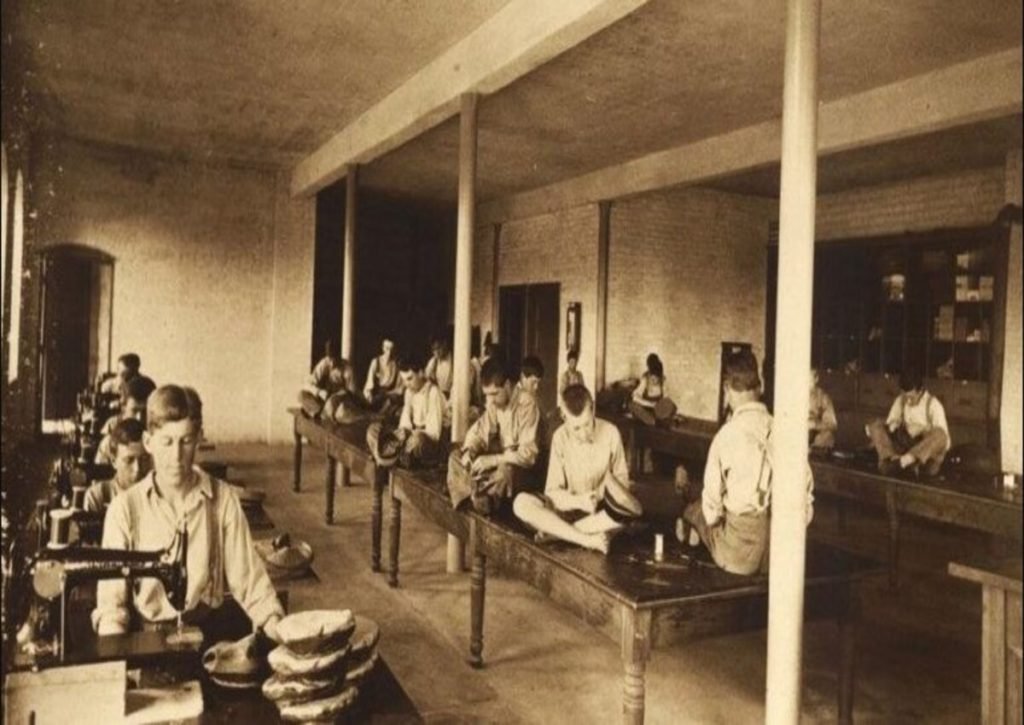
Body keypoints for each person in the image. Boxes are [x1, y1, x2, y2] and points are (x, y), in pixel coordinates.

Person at [93, 385, 284, 642]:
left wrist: (279, 628)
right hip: (146, 643)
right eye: (167, 442)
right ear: (148, 442)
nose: (176, 456)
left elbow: (252, 585)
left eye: (186, 441)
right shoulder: (124, 509)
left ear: (199, 438)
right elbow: (112, 607)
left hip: (209, 637)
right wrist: (115, 657)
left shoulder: (222, 500)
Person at [677, 351, 814, 576]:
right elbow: (807, 502)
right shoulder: (785, 430)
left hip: (740, 556)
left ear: (727, 390)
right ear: (758, 389)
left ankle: (688, 519)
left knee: (697, 510)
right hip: (781, 554)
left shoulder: (726, 435)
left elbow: (712, 514)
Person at [512, 384, 641, 554]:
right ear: (564, 417)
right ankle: (586, 540)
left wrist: (603, 493)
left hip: (598, 516)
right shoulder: (560, 437)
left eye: (586, 424)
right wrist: (579, 501)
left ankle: (558, 534)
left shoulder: (611, 433)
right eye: (576, 428)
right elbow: (552, 493)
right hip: (565, 513)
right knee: (521, 503)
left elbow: (622, 486)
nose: (583, 434)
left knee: (626, 516)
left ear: (592, 408)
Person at [449, 356, 542, 513]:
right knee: (456, 455)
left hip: (524, 471)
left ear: (506, 385)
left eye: (493, 393)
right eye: (486, 395)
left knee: (506, 471)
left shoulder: (527, 403)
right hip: (499, 463)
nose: (489, 400)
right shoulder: (495, 405)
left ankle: (479, 495)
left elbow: (528, 456)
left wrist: (492, 460)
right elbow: (479, 432)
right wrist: (470, 449)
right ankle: (476, 496)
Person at [866, 369, 950, 476]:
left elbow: (945, 442)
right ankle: (893, 461)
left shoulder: (934, 405)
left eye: (911, 397)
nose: (908, 401)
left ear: (920, 391)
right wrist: (894, 425)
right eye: (905, 396)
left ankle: (906, 462)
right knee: (875, 425)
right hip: (902, 448)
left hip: (923, 456)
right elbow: (890, 424)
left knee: (940, 434)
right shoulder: (900, 400)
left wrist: (923, 430)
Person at [84, 418, 151, 513]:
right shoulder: (98, 497)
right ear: (113, 461)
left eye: (144, 459)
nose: (137, 469)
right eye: (129, 460)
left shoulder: (160, 496)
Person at [395, 355, 446, 466]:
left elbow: (434, 434)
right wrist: (403, 431)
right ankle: (399, 457)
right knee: (375, 430)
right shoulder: (409, 392)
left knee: (418, 440)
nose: (406, 384)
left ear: (421, 373)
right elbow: (405, 419)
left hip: (429, 443)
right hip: (412, 438)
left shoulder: (433, 393)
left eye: (409, 378)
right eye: (404, 380)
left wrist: (411, 435)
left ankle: (395, 458)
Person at [95, 375, 157, 465]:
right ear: (123, 407)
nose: (139, 418)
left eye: (145, 412)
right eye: (134, 411)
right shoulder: (109, 444)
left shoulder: (160, 442)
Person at [300, 343, 359, 421]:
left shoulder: (347, 368)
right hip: (323, 398)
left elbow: (352, 392)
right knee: (301, 394)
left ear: (339, 357)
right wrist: (320, 392)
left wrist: (337, 395)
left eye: (334, 359)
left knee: (333, 404)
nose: (331, 362)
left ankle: (315, 413)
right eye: (329, 359)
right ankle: (318, 413)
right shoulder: (324, 363)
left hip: (337, 399)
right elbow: (310, 383)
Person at [363, 337, 403, 411]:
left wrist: (390, 394)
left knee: (390, 404)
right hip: (377, 395)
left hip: (390, 395)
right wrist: (369, 395)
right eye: (387, 348)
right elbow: (369, 383)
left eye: (392, 349)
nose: (389, 352)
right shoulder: (375, 362)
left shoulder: (397, 364)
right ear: (383, 348)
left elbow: (399, 388)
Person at [808, 368, 838, 452]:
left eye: (808, 376)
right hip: (796, 434)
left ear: (816, 379)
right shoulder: (793, 393)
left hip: (814, 435)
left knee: (827, 436)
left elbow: (832, 424)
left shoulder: (823, 397)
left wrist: (814, 424)